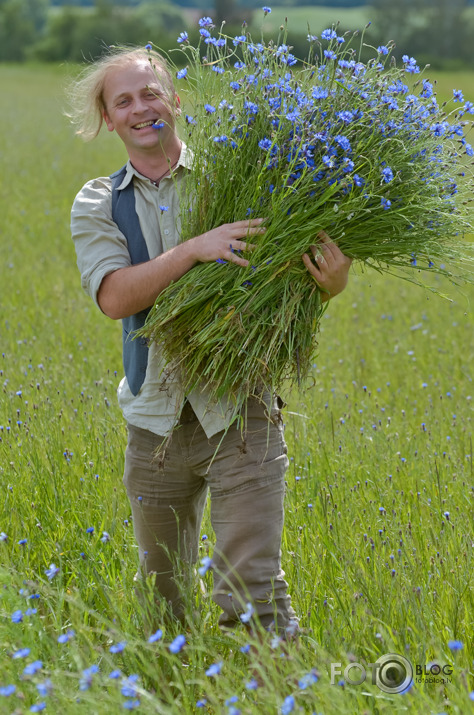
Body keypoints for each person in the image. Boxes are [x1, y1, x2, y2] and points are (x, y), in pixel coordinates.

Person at [69, 48, 352, 637]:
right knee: (162, 591)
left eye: (151, 93)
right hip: (155, 424)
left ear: (175, 101)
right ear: (107, 119)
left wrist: (329, 285)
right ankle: (168, 696)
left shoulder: (238, 174)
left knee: (252, 590)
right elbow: (116, 298)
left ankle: (269, 698)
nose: (141, 108)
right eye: (123, 100)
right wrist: (194, 249)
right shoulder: (99, 202)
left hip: (242, 414)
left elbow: (284, 284)